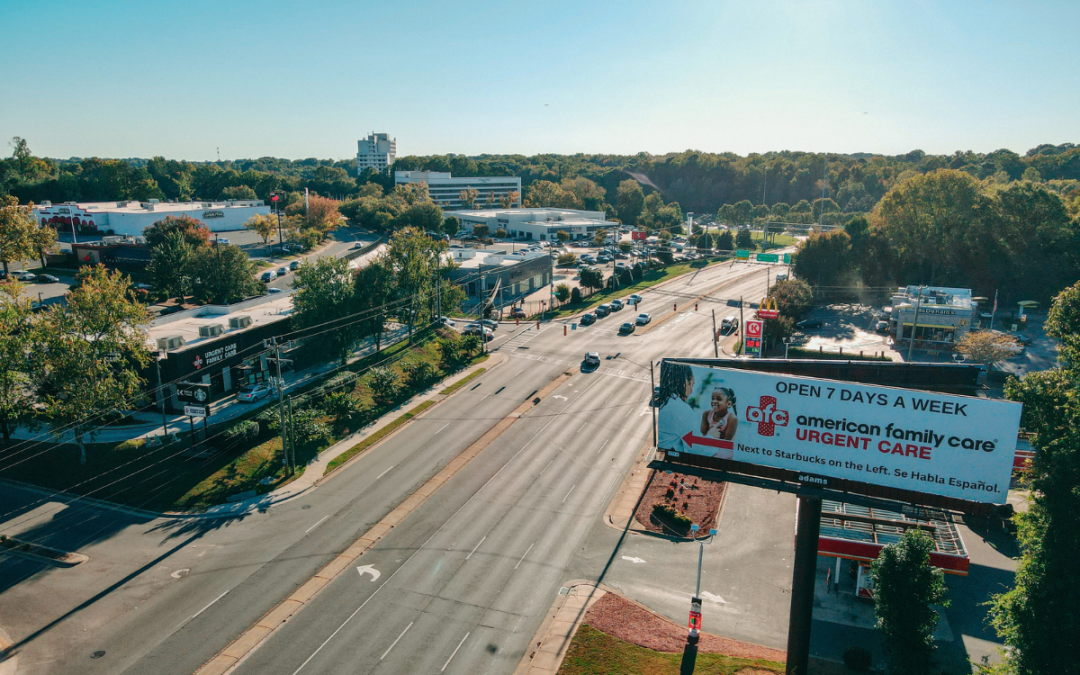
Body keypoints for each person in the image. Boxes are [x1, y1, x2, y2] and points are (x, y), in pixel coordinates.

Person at [656, 363, 698, 454]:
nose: (691, 391)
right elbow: (698, 447)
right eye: (692, 385)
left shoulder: (667, 401)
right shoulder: (681, 409)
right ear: (686, 383)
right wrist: (711, 435)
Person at [700, 387, 738, 459]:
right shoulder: (707, 414)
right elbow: (703, 435)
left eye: (719, 399)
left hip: (723, 451)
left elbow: (726, 442)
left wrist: (711, 436)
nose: (714, 401)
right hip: (709, 446)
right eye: (712, 398)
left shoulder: (732, 418)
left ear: (729, 403)